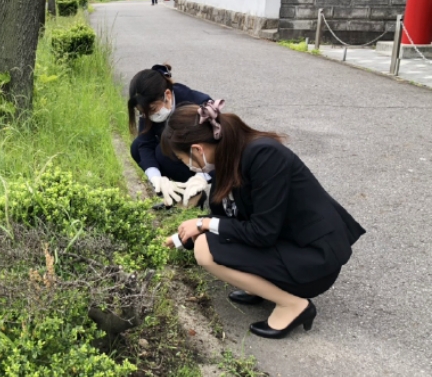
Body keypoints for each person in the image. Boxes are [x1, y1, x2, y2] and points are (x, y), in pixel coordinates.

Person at [162, 101, 365, 339]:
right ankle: (263, 288)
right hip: (285, 242)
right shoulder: (228, 158)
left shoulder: (264, 155)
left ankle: (293, 305)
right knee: (206, 237)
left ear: (197, 149)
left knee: (206, 250)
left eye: (183, 159)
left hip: (314, 258)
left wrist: (202, 224)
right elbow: (226, 218)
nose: (189, 167)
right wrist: (183, 236)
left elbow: (262, 232)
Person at [128, 64, 212, 207]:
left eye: (152, 109)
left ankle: (195, 191)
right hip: (181, 156)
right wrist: (156, 178)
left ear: (167, 95)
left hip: (207, 161)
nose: (149, 116)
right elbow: (144, 143)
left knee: (163, 151)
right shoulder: (148, 107)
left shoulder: (198, 105)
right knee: (136, 146)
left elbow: (219, 146)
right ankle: (174, 193)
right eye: (143, 112)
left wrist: (202, 177)